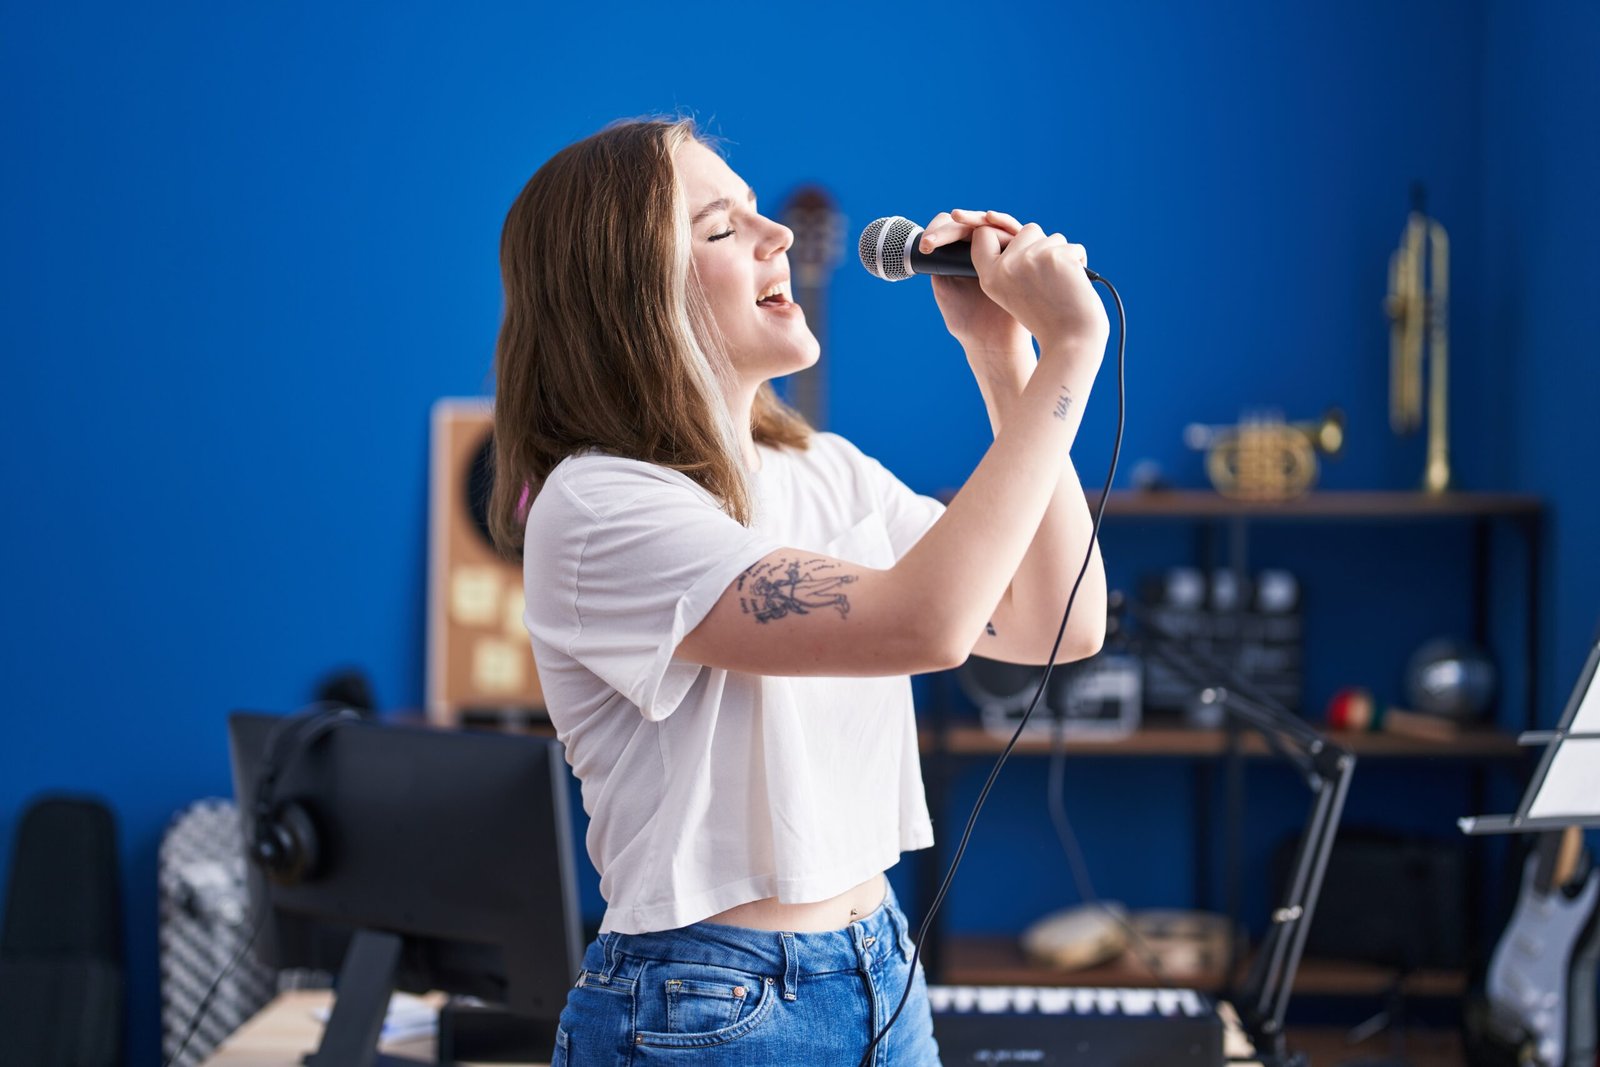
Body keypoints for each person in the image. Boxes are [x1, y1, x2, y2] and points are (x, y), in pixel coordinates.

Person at [489, 117, 1109, 1066]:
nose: (774, 234)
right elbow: (928, 623)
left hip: (881, 970)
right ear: (628, 298)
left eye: (755, 211)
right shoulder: (597, 506)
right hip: (702, 1005)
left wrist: (1009, 363)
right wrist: (1073, 353)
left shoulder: (825, 467)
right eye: (721, 228)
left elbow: (1056, 622)